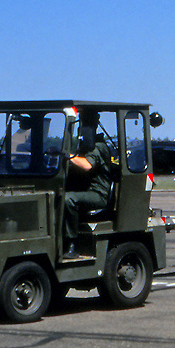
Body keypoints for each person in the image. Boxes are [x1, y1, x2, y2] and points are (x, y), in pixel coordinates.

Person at [63, 111, 111, 259]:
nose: (83, 127)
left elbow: (87, 165)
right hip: (85, 191)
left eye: (86, 123)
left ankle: (72, 243)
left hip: (98, 194)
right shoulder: (83, 146)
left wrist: (68, 156)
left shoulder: (98, 146)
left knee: (68, 199)